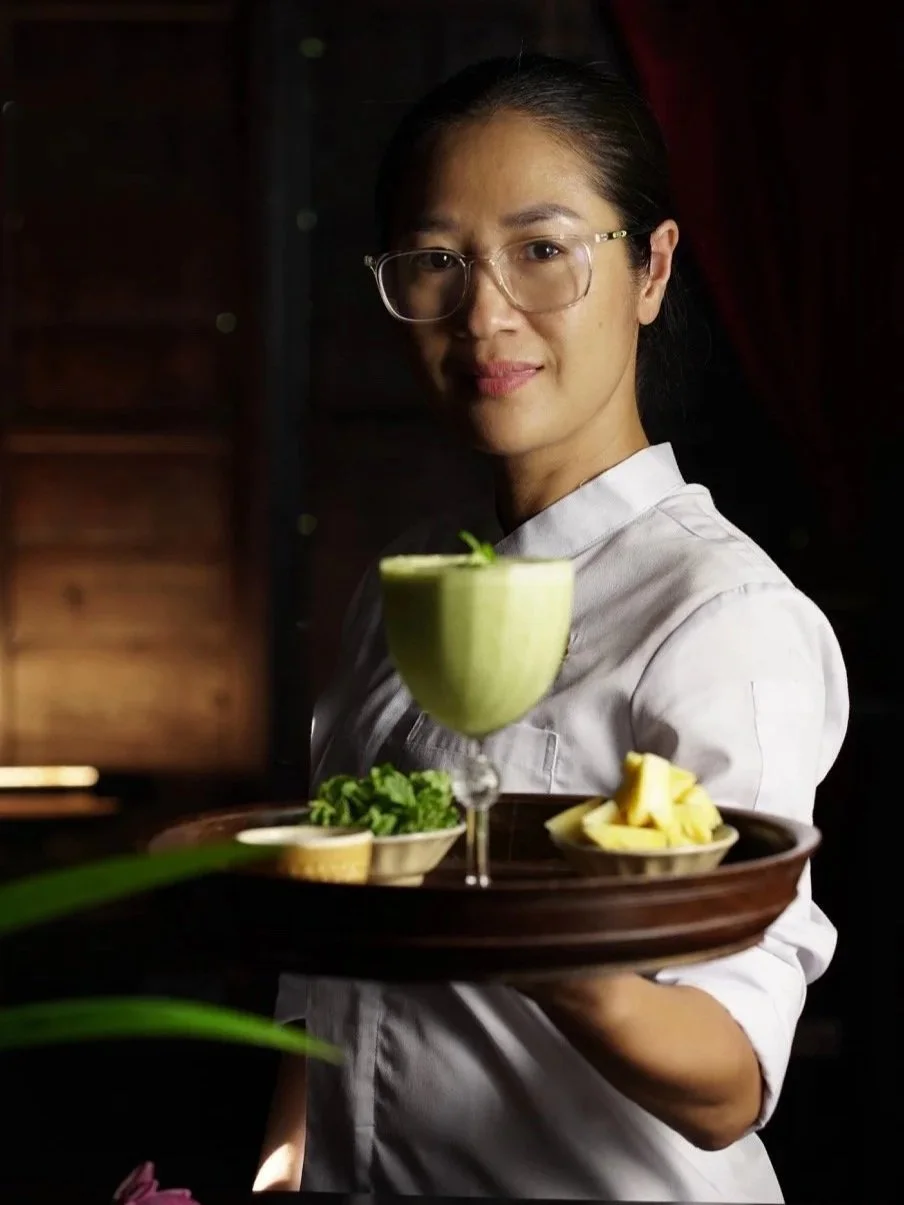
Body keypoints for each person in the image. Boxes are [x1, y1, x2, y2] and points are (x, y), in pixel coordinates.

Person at [253, 54, 848, 1202]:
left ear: (651, 269)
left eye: (541, 249)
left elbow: (729, 1078)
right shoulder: (405, 587)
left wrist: (544, 944)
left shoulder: (720, 614)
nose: (484, 313)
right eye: (437, 259)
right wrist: (277, 1179)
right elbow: (328, 975)